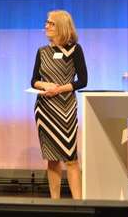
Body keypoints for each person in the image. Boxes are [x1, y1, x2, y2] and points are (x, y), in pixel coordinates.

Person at [31, 10, 88, 199]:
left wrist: (60, 88)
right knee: (52, 158)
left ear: (62, 27)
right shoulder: (42, 51)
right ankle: (54, 203)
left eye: (51, 23)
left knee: (71, 158)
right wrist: (44, 84)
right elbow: (33, 81)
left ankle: (78, 204)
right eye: (46, 22)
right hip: (45, 109)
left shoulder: (75, 49)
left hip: (66, 109)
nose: (46, 26)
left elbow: (83, 81)